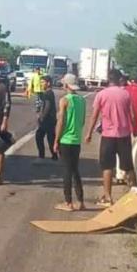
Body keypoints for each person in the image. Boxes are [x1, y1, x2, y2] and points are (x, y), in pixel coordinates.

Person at [85, 69, 135, 206]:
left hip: (108, 136)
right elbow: (132, 115)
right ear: (119, 80)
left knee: (107, 166)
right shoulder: (126, 94)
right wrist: (134, 129)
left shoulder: (101, 94)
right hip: (124, 134)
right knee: (128, 166)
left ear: (108, 79)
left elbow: (94, 115)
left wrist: (89, 133)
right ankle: (134, 194)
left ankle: (108, 197)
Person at [53, 74, 86, 212]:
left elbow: (61, 121)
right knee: (75, 170)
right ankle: (80, 201)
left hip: (66, 139)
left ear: (66, 85)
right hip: (76, 139)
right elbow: (83, 120)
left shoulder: (64, 100)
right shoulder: (81, 100)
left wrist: (56, 140)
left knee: (66, 171)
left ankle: (68, 202)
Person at [35, 75, 57, 160]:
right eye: (40, 82)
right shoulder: (48, 93)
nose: (41, 84)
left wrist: (42, 117)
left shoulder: (48, 93)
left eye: (43, 82)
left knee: (44, 137)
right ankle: (52, 155)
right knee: (48, 137)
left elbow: (47, 106)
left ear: (48, 83)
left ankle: (43, 156)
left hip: (48, 120)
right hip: (50, 119)